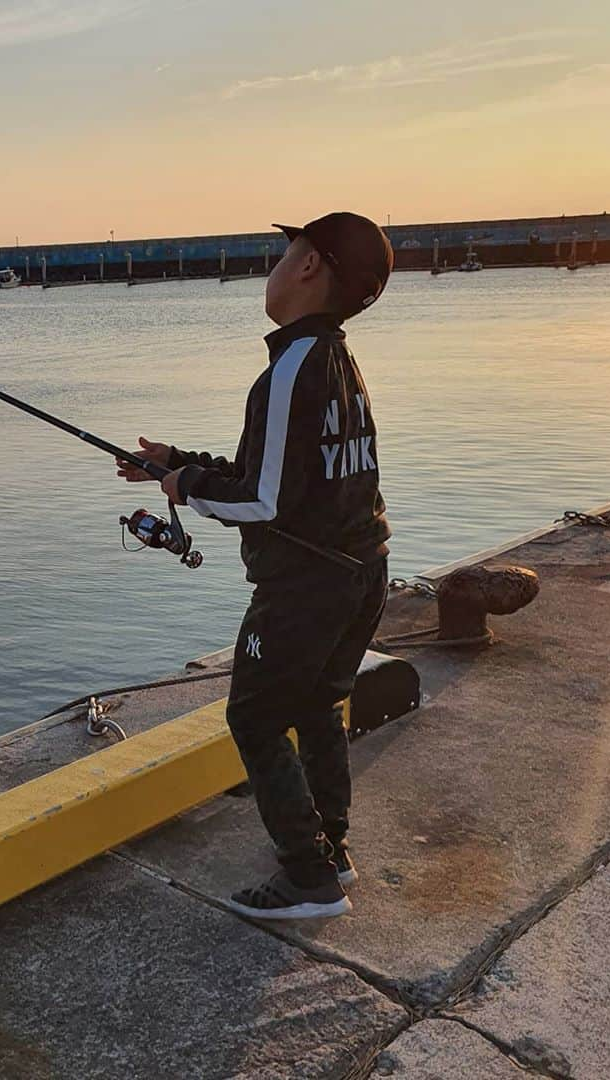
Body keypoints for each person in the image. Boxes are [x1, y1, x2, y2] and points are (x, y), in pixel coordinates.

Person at [116, 213, 393, 919]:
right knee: (316, 705)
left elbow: (264, 499)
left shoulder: (291, 366)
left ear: (307, 267)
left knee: (255, 718)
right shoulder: (336, 360)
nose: (276, 266)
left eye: (287, 252)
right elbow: (278, 474)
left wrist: (189, 489)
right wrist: (176, 465)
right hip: (361, 570)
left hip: (306, 586)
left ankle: (308, 877)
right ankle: (331, 847)